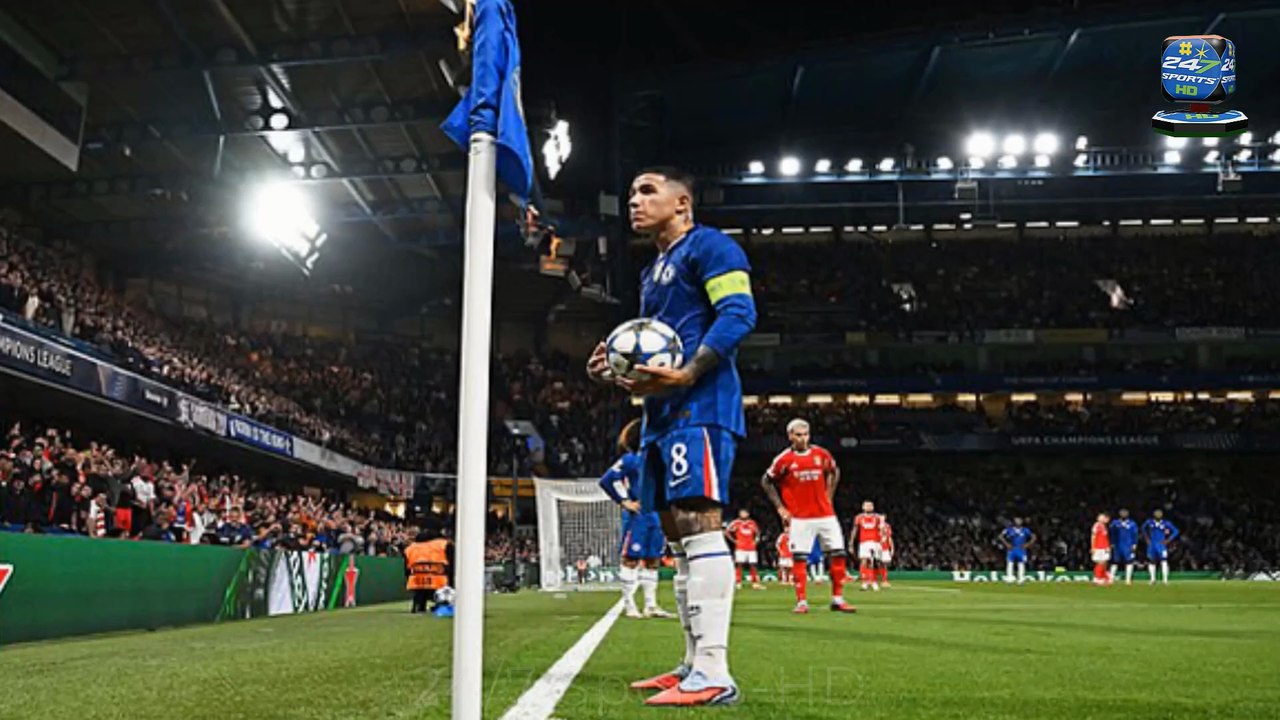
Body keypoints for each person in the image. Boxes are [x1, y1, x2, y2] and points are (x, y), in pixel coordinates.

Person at [587, 166, 756, 706]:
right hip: (659, 418)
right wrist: (614, 368)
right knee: (678, 541)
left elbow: (739, 313)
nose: (633, 201)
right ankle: (690, 664)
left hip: (702, 406)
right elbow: (655, 347)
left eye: (646, 191)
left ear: (682, 203)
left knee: (700, 526)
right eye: (632, 192)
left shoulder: (711, 246)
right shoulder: (651, 272)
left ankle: (714, 671)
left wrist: (688, 374)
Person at [761, 418, 856, 614]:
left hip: (825, 515)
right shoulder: (784, 459)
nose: (803, 439)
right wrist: (780, 508)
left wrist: (829, 495)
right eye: (798, 435)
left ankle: (837, 599)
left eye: (805, 434)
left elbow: (834, 471)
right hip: (800, 518)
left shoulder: (821, 454)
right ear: (790, 436)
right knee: (800, 558)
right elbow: (766, 481)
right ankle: (802, 601)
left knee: (838, 553)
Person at [598, 418, 674, 619]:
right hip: (638, 517)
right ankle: (629, 604)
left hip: (657, 516)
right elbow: (607, 480)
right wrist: (624, 502)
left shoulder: (661, 459)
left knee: (653, 560)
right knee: (631, 558)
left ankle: (651, 605)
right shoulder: (631, 459)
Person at [404, 521, 453, 614]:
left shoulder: (411, 547)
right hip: (440, 585)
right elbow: (453, 568)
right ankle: (442, 605)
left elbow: (407, 570)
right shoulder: (445, 544)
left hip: (418, 585)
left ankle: (418, 605)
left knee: (419, 602)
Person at [725, 509, 764, 590]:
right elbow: (726, 532)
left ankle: (755, 583)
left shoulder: (752, 523)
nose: (744, 514)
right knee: (739, 564)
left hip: (751, 548)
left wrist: (756, 541)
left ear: (748, 514)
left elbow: (758, 533)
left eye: (745, 513)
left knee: (753, 565)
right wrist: (734, 541)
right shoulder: (736, 523)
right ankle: (738, 582)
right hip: (740, 547)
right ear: (739, 514)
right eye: (742, 513)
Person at [1142, 509, 1181, 585]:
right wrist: (1146, 538)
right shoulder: (1149, 522)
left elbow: (1176, 531)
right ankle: (1152, 579)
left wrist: (1168, 540)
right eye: (1156, 514)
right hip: (1152, 545)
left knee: (1164, 561)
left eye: (1159, 514)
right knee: (1151, 561)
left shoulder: (1166, 523)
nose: (1158, 515)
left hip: (1161, 545)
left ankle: (1165, 580)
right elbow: (1143, 529)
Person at [852, 501, 884, 591]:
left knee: (874, 562)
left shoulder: (878, 517)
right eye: (867, 506)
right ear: (863, 507)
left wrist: (882, 540)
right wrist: (851, 543)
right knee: (864, 561)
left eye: (870, 506)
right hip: (864, 542)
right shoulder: (859, 517)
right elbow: (855, 530)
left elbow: (881, 529)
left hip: (875, 542)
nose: (869, 507)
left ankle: (874, 581)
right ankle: (865, 582)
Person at [1109, 509, 1140, 585]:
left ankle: (1128, 580)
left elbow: (1135, 534)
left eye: (1125, 513)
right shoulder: (1115, 523)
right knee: (1115, 562)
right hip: (1117, 545)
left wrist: (1134, 544)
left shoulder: (1132, 524)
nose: (1123, 515)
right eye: (1122, 513)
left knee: (1129, 562)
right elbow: (1111, 533)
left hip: (1128, 546)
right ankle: (1111, 579)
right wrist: (1112, 543)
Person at [1000, 517, 1035, 585]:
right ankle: (1010, 577)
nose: (1018, 522)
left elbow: (1034, 537)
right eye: (1016, 520)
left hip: (1021, 549)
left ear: (1022, 522)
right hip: (1012, 548)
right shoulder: (1009, 530)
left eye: (1019, 520)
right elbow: (1001, 536)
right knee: (1010, 563)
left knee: (1021, 563)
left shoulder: (1025, 530)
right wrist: (1007, 544)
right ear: (1014, 522)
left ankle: (1021, 578)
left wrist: (1027, 545)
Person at [1090, 513, 1112, 586]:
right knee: (1100, 563)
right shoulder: (1097, 525)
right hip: (1098, 547)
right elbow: (1093, 537)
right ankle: (1097, 579)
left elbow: (1104, 538)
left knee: (1104, 563)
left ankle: (1102, 578)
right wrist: (1093, 547)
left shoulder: (1103, 526)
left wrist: (1107, 546)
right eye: (1101, 517)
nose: (1103, 519)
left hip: (1104, 548)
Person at [877, 514, 893, 588]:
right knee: (876, 563)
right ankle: (872, 579)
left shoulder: (887, 526)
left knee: (885, 563)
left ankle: (884, 580)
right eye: (881, 517)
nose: (882, 518)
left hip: (885, 547)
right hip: (876, 546)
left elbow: (889, 538)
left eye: (883, 517)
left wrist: (892, 548)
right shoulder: (875, 525)